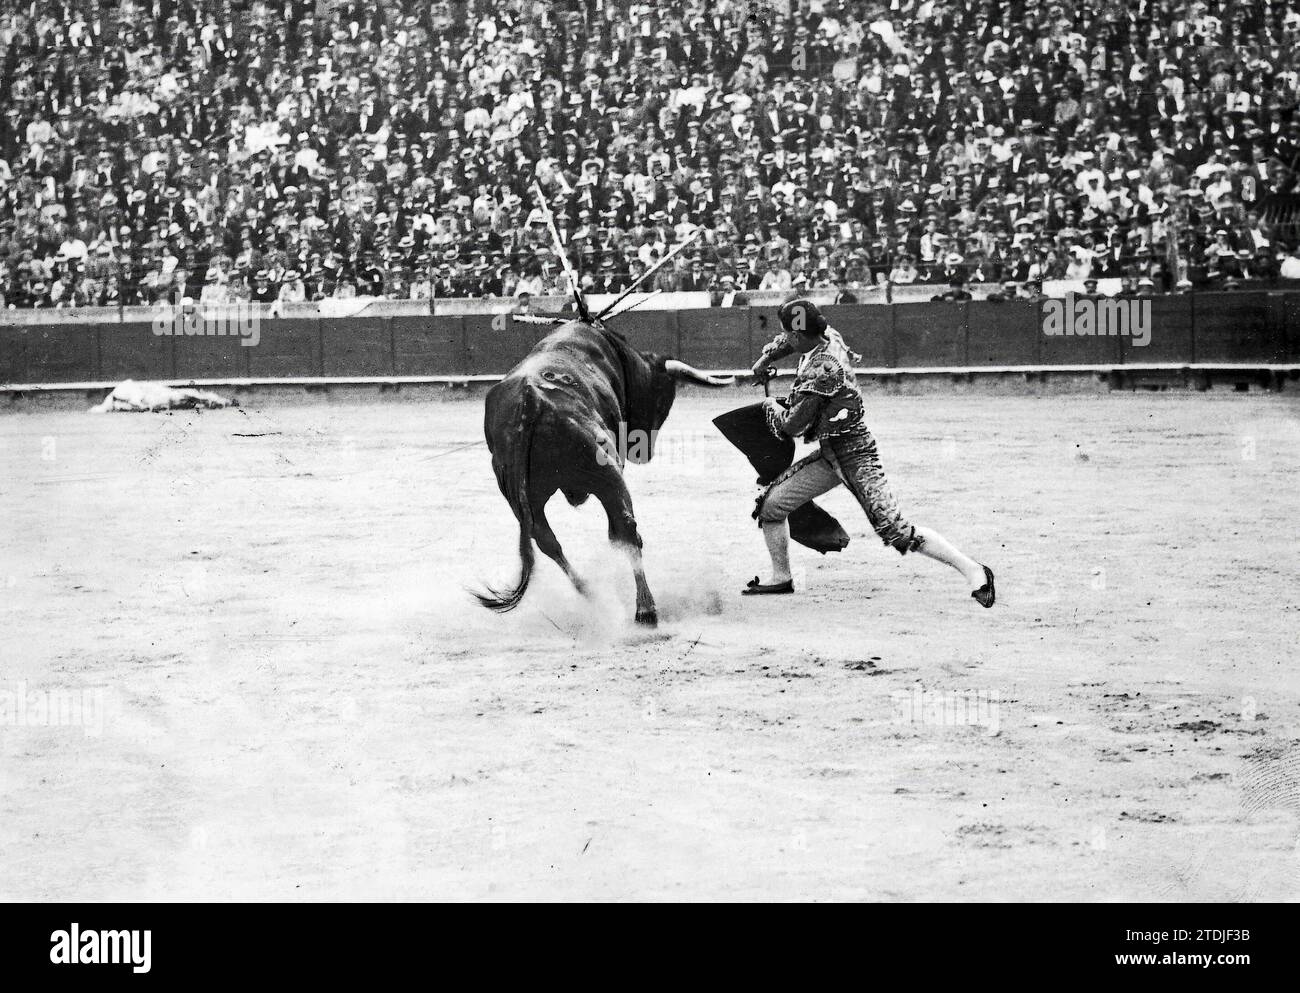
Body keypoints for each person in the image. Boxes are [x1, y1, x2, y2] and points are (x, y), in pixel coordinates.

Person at [745, 299, 995, 606]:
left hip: (856, 455)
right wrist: (765, 359)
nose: (785, 337)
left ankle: (974, 570)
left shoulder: (823, 370)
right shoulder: (827, 336)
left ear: (799, 335)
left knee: (895, 529)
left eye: (788, 333)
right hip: (830, 454)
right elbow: (787, 342)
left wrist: (771, 406)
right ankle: (781, 577)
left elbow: (793, 426)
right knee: (772, 505)